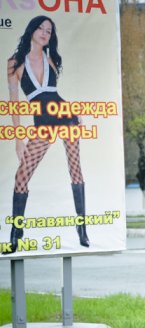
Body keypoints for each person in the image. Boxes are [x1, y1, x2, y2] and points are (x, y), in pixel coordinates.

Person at [4, 16, 89, 254]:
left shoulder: (51, 58)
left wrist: (74, 111)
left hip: (65, 115)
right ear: (31, 30)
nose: (44, 33)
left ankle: (82, 229)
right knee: (21, 176)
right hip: (43, 123)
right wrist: (19, 139)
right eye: (40, 28)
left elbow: (54, 94)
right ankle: (16, 232)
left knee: (75, 169)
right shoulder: (14, 63)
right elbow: (14, 104)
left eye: (49, 31)